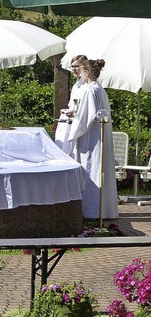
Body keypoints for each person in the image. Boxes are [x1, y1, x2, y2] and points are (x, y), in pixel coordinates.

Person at [67, 59, 118, 220]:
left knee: (91, 169)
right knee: (100, 169)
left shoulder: (90, 90)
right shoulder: (100, 89)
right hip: (99, 135)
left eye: (81, 70)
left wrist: (72, 134)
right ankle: (105, 210)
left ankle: (92, 210)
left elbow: (86, 118)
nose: (79, 73)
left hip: (91, 138)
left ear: (87, 72)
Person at [55, 54, 88, 155]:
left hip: (83, 128)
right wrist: (69, 111)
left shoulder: (88, 86)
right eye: (72, 66)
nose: (74, 69)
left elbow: (88, 110)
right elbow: (74, 104)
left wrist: (74, 113)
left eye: (76, 66)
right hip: (72, 123)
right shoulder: (76, 86)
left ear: (84, 67)